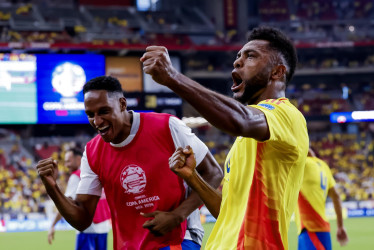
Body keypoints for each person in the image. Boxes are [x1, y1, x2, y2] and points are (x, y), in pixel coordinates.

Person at [141, 26, 309, 249]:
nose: (237, 62)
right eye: (238, 56)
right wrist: (193, 177)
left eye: (250, 56)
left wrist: (173, 77)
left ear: (277, 72)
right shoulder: (248, 138)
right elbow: (227, 210)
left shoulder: (287, 115)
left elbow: (240, 119)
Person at [36, 76, 223, 250]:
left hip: (178, 239)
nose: (97, 121)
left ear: (122, 104)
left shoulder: (167, 126)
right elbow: (83, 219)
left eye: (104, 111)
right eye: (90, 114)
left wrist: (178, 215)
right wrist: (53, 188)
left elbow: (213, 172)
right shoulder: (92, 152)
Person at [47, 147, 111, 250]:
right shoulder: (97, 172)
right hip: (104, 228)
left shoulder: (76, 176)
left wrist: (52, 225)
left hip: (87, 229)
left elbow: (65, 204)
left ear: (78, 159)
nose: (66, 165)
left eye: (68, 161)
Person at [295, 147, 349, 250]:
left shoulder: (304, 164)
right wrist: (340, 226)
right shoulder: (324, 166)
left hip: (311, 229)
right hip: (321, 231)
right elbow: (336, 196)